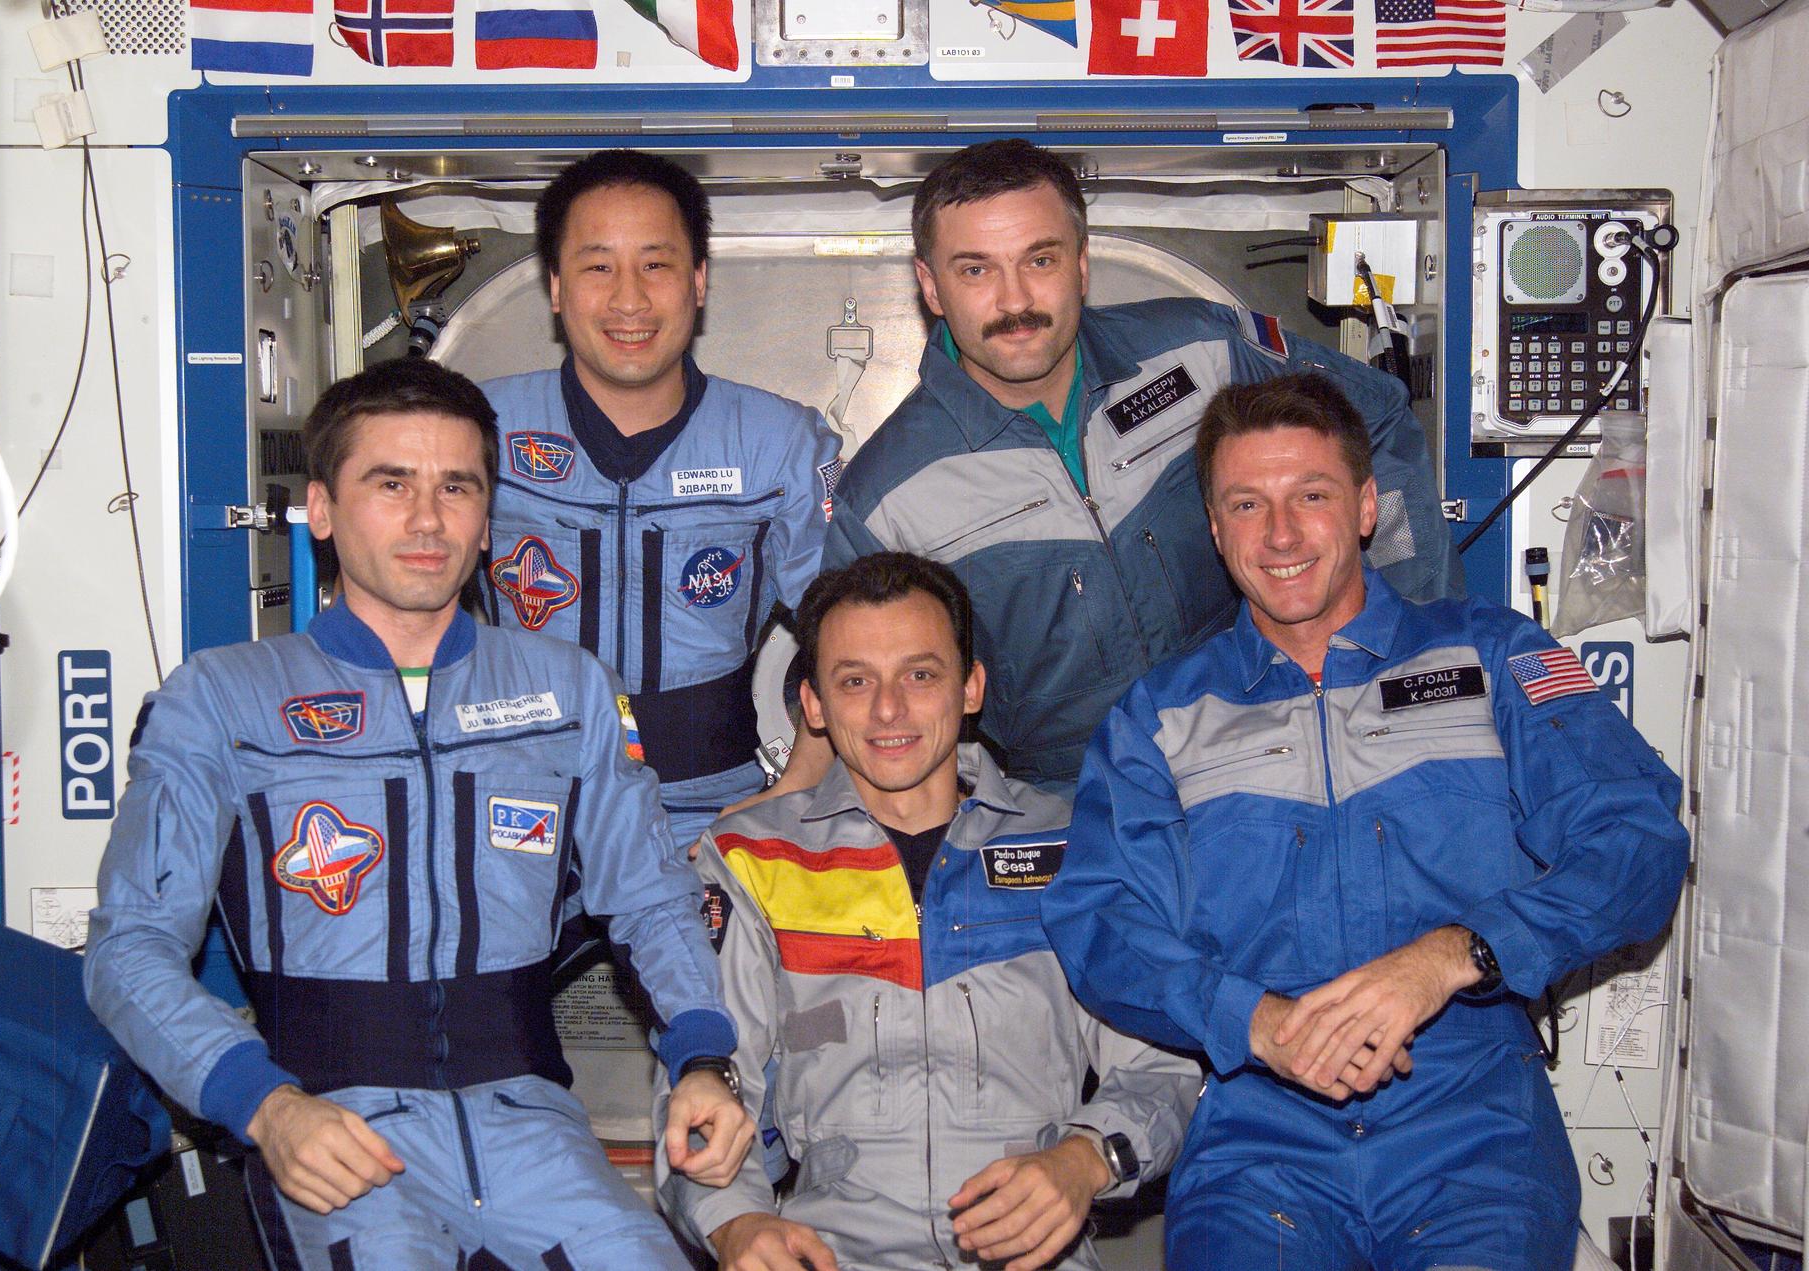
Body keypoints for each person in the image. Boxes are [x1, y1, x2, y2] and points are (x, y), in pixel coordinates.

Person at [85, 358, 753, 1269]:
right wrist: (265, 1105)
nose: (429, 519)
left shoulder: (570, 691)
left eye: (457, 487)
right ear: (322, 510)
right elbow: (127, 947)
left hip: (533, 1128)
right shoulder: (222, 700)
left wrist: (704, 1055)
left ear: (488, 516)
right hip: (335, 1131)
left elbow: (649, 895)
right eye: (391, 484)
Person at [1043, 373, 1689, 1270]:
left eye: (1311, 495)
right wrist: (1254, 1021)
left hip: (1474, 1131)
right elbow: (1101, 919)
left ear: (1367, 507)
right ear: (1217, 529)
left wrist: (1453, 954)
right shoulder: (1158, 719)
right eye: (1247, 504)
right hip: (1260, 1140)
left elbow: (1637, 838)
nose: (1280, 534)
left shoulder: (1490, 655)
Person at [824, 138, 1463, 793]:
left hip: (1282, 754)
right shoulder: (884, 503)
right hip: (1075, 802)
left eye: (1040, 259)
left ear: (1081, 265)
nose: (1015, 301)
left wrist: (1405, 646)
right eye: (975, 270)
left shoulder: (1203, 353)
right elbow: (863, 702)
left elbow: (1374, 418)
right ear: (931, 285)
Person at [660, 552, 1202, 1271]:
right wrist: (736, 1224)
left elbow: (1164, 1066)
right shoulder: (752, 861)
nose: (889, 710)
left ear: (971, 687)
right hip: (828, 1255)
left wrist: (1085, 1158)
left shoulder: (1073, 846)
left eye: (920, 675)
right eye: (855, 680)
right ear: (813, 705)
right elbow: (703, 1085)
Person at [479, 149, 841, 843]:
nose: (629, 300)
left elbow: (860, 635)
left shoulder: (780, 445)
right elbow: (391, 603)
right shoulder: (475, 430)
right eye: (598, 267)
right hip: (517, 808)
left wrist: (792, 791)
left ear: (698, 281)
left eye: (655, 264)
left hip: (712, 814)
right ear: (555, 287)